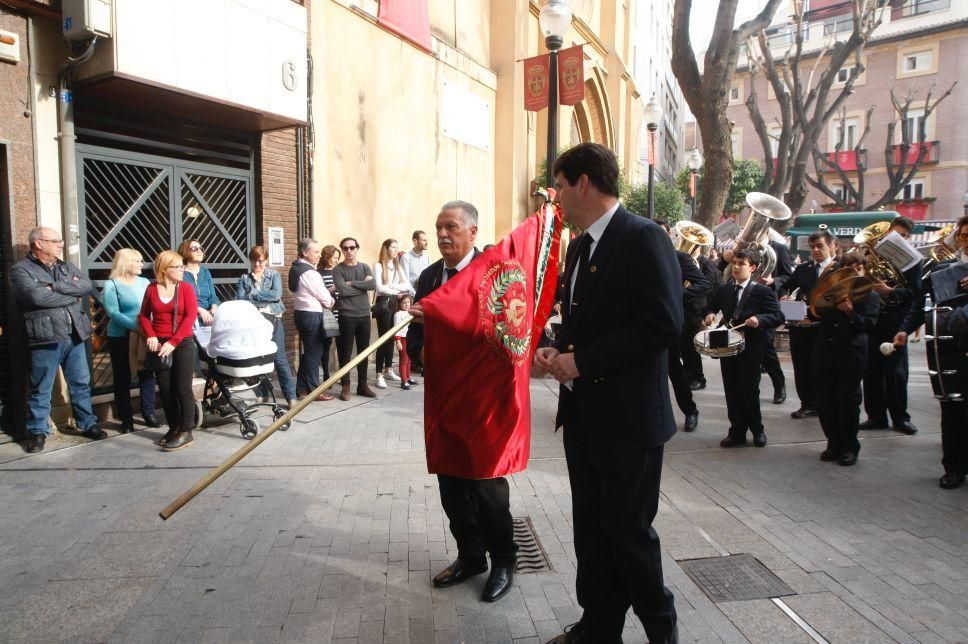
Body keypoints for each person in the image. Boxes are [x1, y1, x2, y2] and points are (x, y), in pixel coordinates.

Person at [534, 143, 680, 644]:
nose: (554, 197)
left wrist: (584, 361)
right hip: (585, 418)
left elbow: (663, 324)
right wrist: (557, 350)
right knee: (591, 534)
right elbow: (584, 323)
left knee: (629, 534)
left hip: (630, 424)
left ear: (583, 184)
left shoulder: (642, 238)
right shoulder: (579, 246)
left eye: (558, 185)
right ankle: (599, 627)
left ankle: (662, 632)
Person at [407, 200, 518, 604]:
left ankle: (505, 558)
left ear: (473, 231)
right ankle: (472, 556)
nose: (442, 235)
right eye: (438, 228)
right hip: (443, 401)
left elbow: (503, 332)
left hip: (483, 402)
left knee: (486, 487)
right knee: (451, 486)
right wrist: (424, 350)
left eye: (451, 227)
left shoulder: (491, 275)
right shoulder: (429, 277)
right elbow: (417, 335)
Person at [11, 227, 107, 453]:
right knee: (41, 387)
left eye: (60, 241)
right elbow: (35, 296)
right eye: (54, 241)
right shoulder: (20, 270)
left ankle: (87, 423)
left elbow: (85, 285)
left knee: (81, 383)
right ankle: (37, 432)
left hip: (74, 334)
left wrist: (53, 287)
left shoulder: (66, 267)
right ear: (38, 244)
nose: (60, 245)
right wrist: (70, 295)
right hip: (45, 336)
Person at [702, 249, 784, 448]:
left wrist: (760, 319)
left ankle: (757, 430)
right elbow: (709, 306)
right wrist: (709, 314)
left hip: (751, 348)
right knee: (731, 390)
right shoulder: (725, 289)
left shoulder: (762, 291)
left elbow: (778, 316)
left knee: (749, 390)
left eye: (741, 264)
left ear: (752, 268)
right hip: (727, 346)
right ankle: (736, 431)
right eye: (735, 263)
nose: (736, 267)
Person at [910, 214, 968, 489]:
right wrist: (904, 329)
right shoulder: (945, 271)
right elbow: (920, 304)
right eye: (964, 236)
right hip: (954, 350)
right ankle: (953, 467)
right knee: (953, 411)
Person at [814, 253, 880, 466]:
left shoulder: (870, 296)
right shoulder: (831, 294)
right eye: (850, 268)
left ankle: (850, 446)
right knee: (826, 399)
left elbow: (867, 326)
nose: (856, 272)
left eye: (859, 268)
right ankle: (833, 442)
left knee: (848, 401)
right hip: (827, 351)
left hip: (851, 353)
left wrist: (851, 313)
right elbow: (817, 312)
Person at [860, 216, 921, 435]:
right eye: (893, 235)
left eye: (902, 236)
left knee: (896, 373)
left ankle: (900, 418)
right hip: (875, 319)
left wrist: (891, 291)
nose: (897, 240)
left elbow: (916, 293)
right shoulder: (872, 257)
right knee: (871, 371)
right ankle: (875, 416)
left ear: (908, 238)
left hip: (897, 321)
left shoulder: (913, 261)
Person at [138, 250, 199, 451]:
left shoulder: (186, 289)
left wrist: (173, 342)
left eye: (183, 266)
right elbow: (144, 316)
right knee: (166, 390)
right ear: (165, 269)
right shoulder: (152, 289)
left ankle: (186, 430)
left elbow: (190, 317)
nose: (182, 270)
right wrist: (151, 335)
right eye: (178, 267)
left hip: (182, 343)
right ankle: (174, 427)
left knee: (183, 388)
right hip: (159, 344)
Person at [778, 230, 840, 419]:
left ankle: (825, 403)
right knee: (802, 366)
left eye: (819, 246)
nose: (815, 250)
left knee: (825, 368)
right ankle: (807, 404)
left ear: (831, 246)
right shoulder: (803, 268)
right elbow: (785, 285)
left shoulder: (839, 269)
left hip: (827, 327)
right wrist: (785, 295)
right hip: (802, 326)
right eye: (812, 247)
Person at [102, 248, 158, 433]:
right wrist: (138, 327)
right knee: (122, 377)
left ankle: (149, 414)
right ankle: (126, 419)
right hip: (121, 336)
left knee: (147, 374)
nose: (142, 264)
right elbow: (113, 312)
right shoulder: (112, 284)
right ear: (126, 263)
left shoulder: (144, 282)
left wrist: (149, 329)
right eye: (138, 261)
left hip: (144, 334)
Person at [235, 245, 297, 407]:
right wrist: (265, 297)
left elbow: (276, 295)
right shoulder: (244, 278)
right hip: (253, 322)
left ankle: (290, 396)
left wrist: (253, 294)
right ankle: (263, 394)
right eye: (254, 261)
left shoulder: (274, 275)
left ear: (266, 260)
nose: (257, 264)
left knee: (279, 358)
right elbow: (240, 300)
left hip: (273, 320)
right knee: (258, 359)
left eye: (261, 261)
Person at [289, 238, 336, 401]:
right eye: (315, 252)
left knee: (308, 353)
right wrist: (332, 301)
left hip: (301, 314)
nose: (318, 255)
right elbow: (325, 298)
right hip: (311, 315)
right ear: (304, 252)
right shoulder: (309, 272)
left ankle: (302, 390)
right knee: (314, 354)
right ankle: (314, 390)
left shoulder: (296, 268)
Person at [333, 237, 377, 401]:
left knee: (363, 351)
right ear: (342, 250)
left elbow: (372, 285)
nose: (349, 251)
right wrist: (360, 286)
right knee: (345, 352)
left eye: (352, 247)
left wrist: (351, 283)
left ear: (357, 248)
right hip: (347, 315)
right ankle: (346, 385)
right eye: (345, 248)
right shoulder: (338, 270)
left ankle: (362, 385)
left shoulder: (365, 267)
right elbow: (342, 291)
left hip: (364, 315)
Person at [373, 239, 416, 388]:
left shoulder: (397, 266)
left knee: (393, 337)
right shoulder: (379, 266)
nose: (396, 250)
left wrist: (392, 286)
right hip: (384, 304)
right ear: (386, 249)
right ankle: (378, 374)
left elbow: (407, 284)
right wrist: (397, 290)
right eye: (393, 247)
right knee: (384, 338)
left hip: (395, 303)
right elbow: (379, 287)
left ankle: (388, 369)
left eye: (397, 247)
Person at [178, 239, 220, 325]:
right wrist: (199, 310)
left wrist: (214, 308)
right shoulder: (180, 273)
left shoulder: (205, 272)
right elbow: (179, 301)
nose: (200, 251)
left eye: (201, 248)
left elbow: (213, 297)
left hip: (209, 317)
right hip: (189, 318)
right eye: (194, 248)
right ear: (185, 251)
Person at [317, 244, 342, 383]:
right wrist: (334, 288)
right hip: (328, 312)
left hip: (341, 311)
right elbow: (320, 294)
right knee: (327, 344)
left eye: (338, 258)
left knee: (341, 344)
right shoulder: (318, 273)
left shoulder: (339, 271)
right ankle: (326, 374)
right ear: (327, 257)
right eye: (335, 258)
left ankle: (340, 373)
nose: (337, 261)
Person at [393, 294, 416, 390]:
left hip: (409, 337)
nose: (407, 304)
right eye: (404, 303)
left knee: (409, 359)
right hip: (402, 339)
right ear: (399, 304)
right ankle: (404, 381)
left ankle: (408, 377)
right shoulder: (398, 314)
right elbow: (396, 329)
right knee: (404, 360)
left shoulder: (410, 312)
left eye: (408, 302)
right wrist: (398, 341)